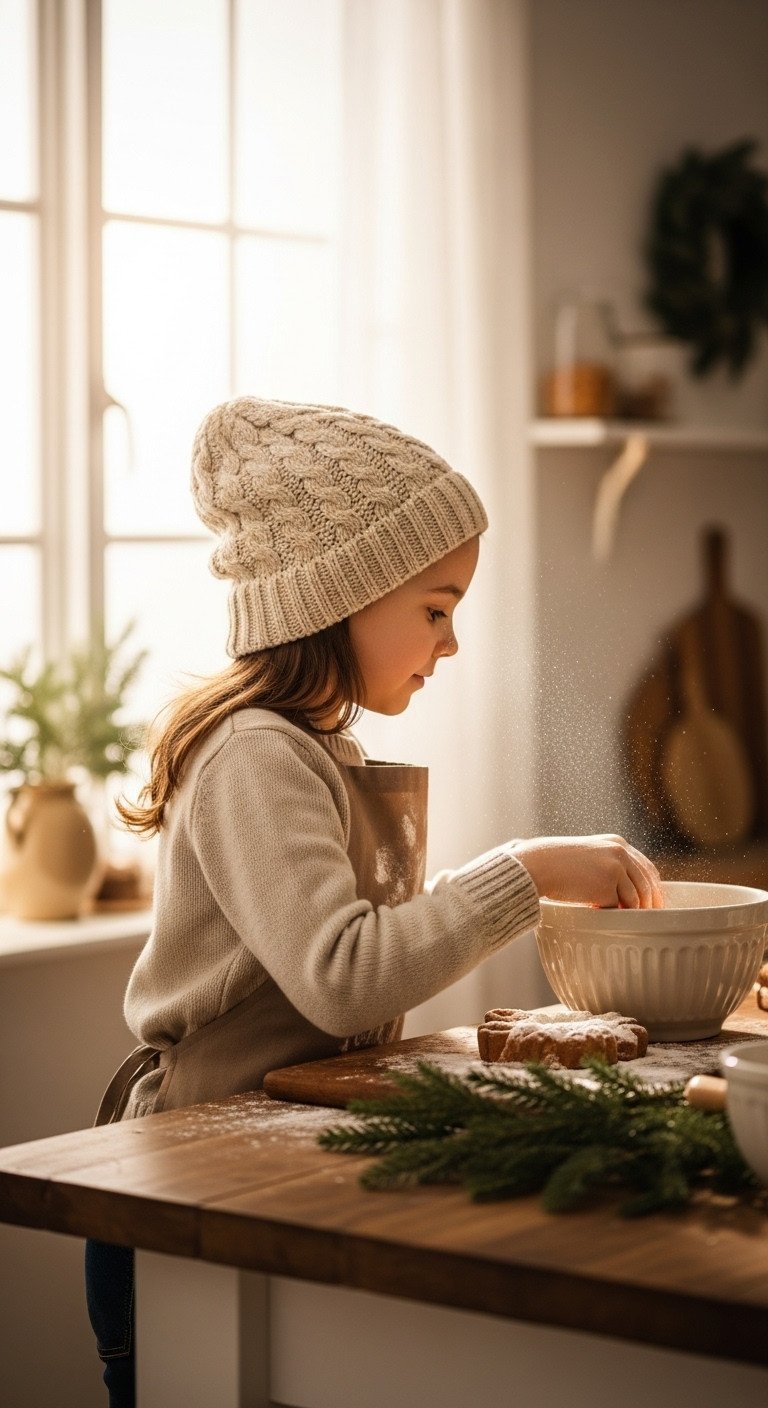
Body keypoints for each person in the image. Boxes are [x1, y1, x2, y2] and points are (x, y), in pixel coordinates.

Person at [85, 395, 662, 1405]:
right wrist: (524, 872)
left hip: (263, 1158)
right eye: (435, 609)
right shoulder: (253, 755)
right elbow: (346, 977)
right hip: (184, 1183)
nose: (448, 643)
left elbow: (362, 940)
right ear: (334, 596)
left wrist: (522, 873)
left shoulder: (319, 749)